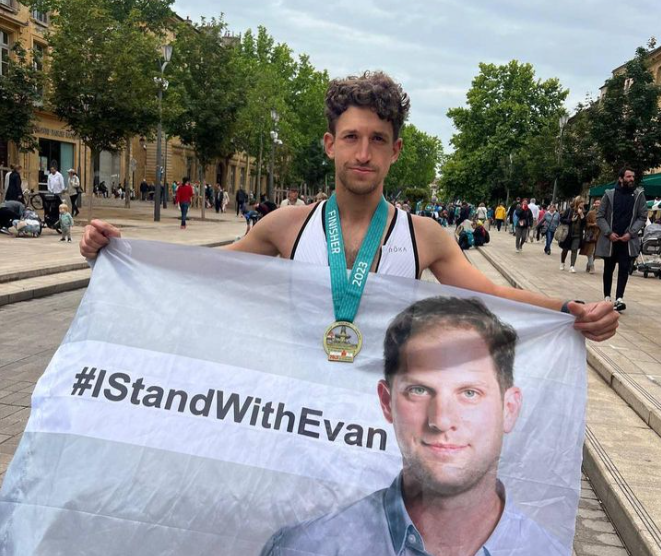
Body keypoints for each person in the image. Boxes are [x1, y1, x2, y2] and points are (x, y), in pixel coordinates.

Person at [81, 70, 618, 342]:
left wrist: (569, 310)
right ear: (329, 143)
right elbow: (210, 273)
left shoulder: (424, 235)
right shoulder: (286, 225)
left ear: (396, 150)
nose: (364, 154)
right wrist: (119, 253)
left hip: (378, 424)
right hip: (296, 409)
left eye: (378, 140)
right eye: (352, 137)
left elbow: (494, 296)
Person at [261, 297, 564, 556]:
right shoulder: (305, 549)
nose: (441, 420)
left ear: (509, 409)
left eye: (469, 393)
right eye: (419, 390)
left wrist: (565, 309)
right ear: (386, 402)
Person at [596, 167, 648, 312]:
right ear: (621, 179)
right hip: (611, 240)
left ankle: (619, 298)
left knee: (624, 269)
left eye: (633, 176)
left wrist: (631, 233)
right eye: (628, 176)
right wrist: (608, 232)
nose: (631, 179)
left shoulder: (639, 195)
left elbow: (642, 216)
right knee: (608, 268)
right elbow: (600, 216)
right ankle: (607, 297)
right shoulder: (609, 194)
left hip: (627, 240)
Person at [559, 196, 586, 273]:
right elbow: (562, 219)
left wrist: (581, 215)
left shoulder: (583, 211)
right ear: (577, 202)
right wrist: (570, 220)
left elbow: (584, 223)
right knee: (565, 249)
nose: (583, 204)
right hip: (568, 233)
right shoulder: (569, 210)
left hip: (577, 234)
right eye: (581, 202)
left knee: (574, 249)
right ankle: (562, 262)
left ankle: (572, 266)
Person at [580, 205, 600, 274]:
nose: (598, 206)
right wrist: (593, 224)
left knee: (595, 252)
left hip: (599, 235)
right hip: (591, 234)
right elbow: (586, 224)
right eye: (597, 205)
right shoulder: (590, 213)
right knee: (590, 251)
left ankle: (588, 265)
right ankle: (592, 266)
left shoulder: (604, 213)